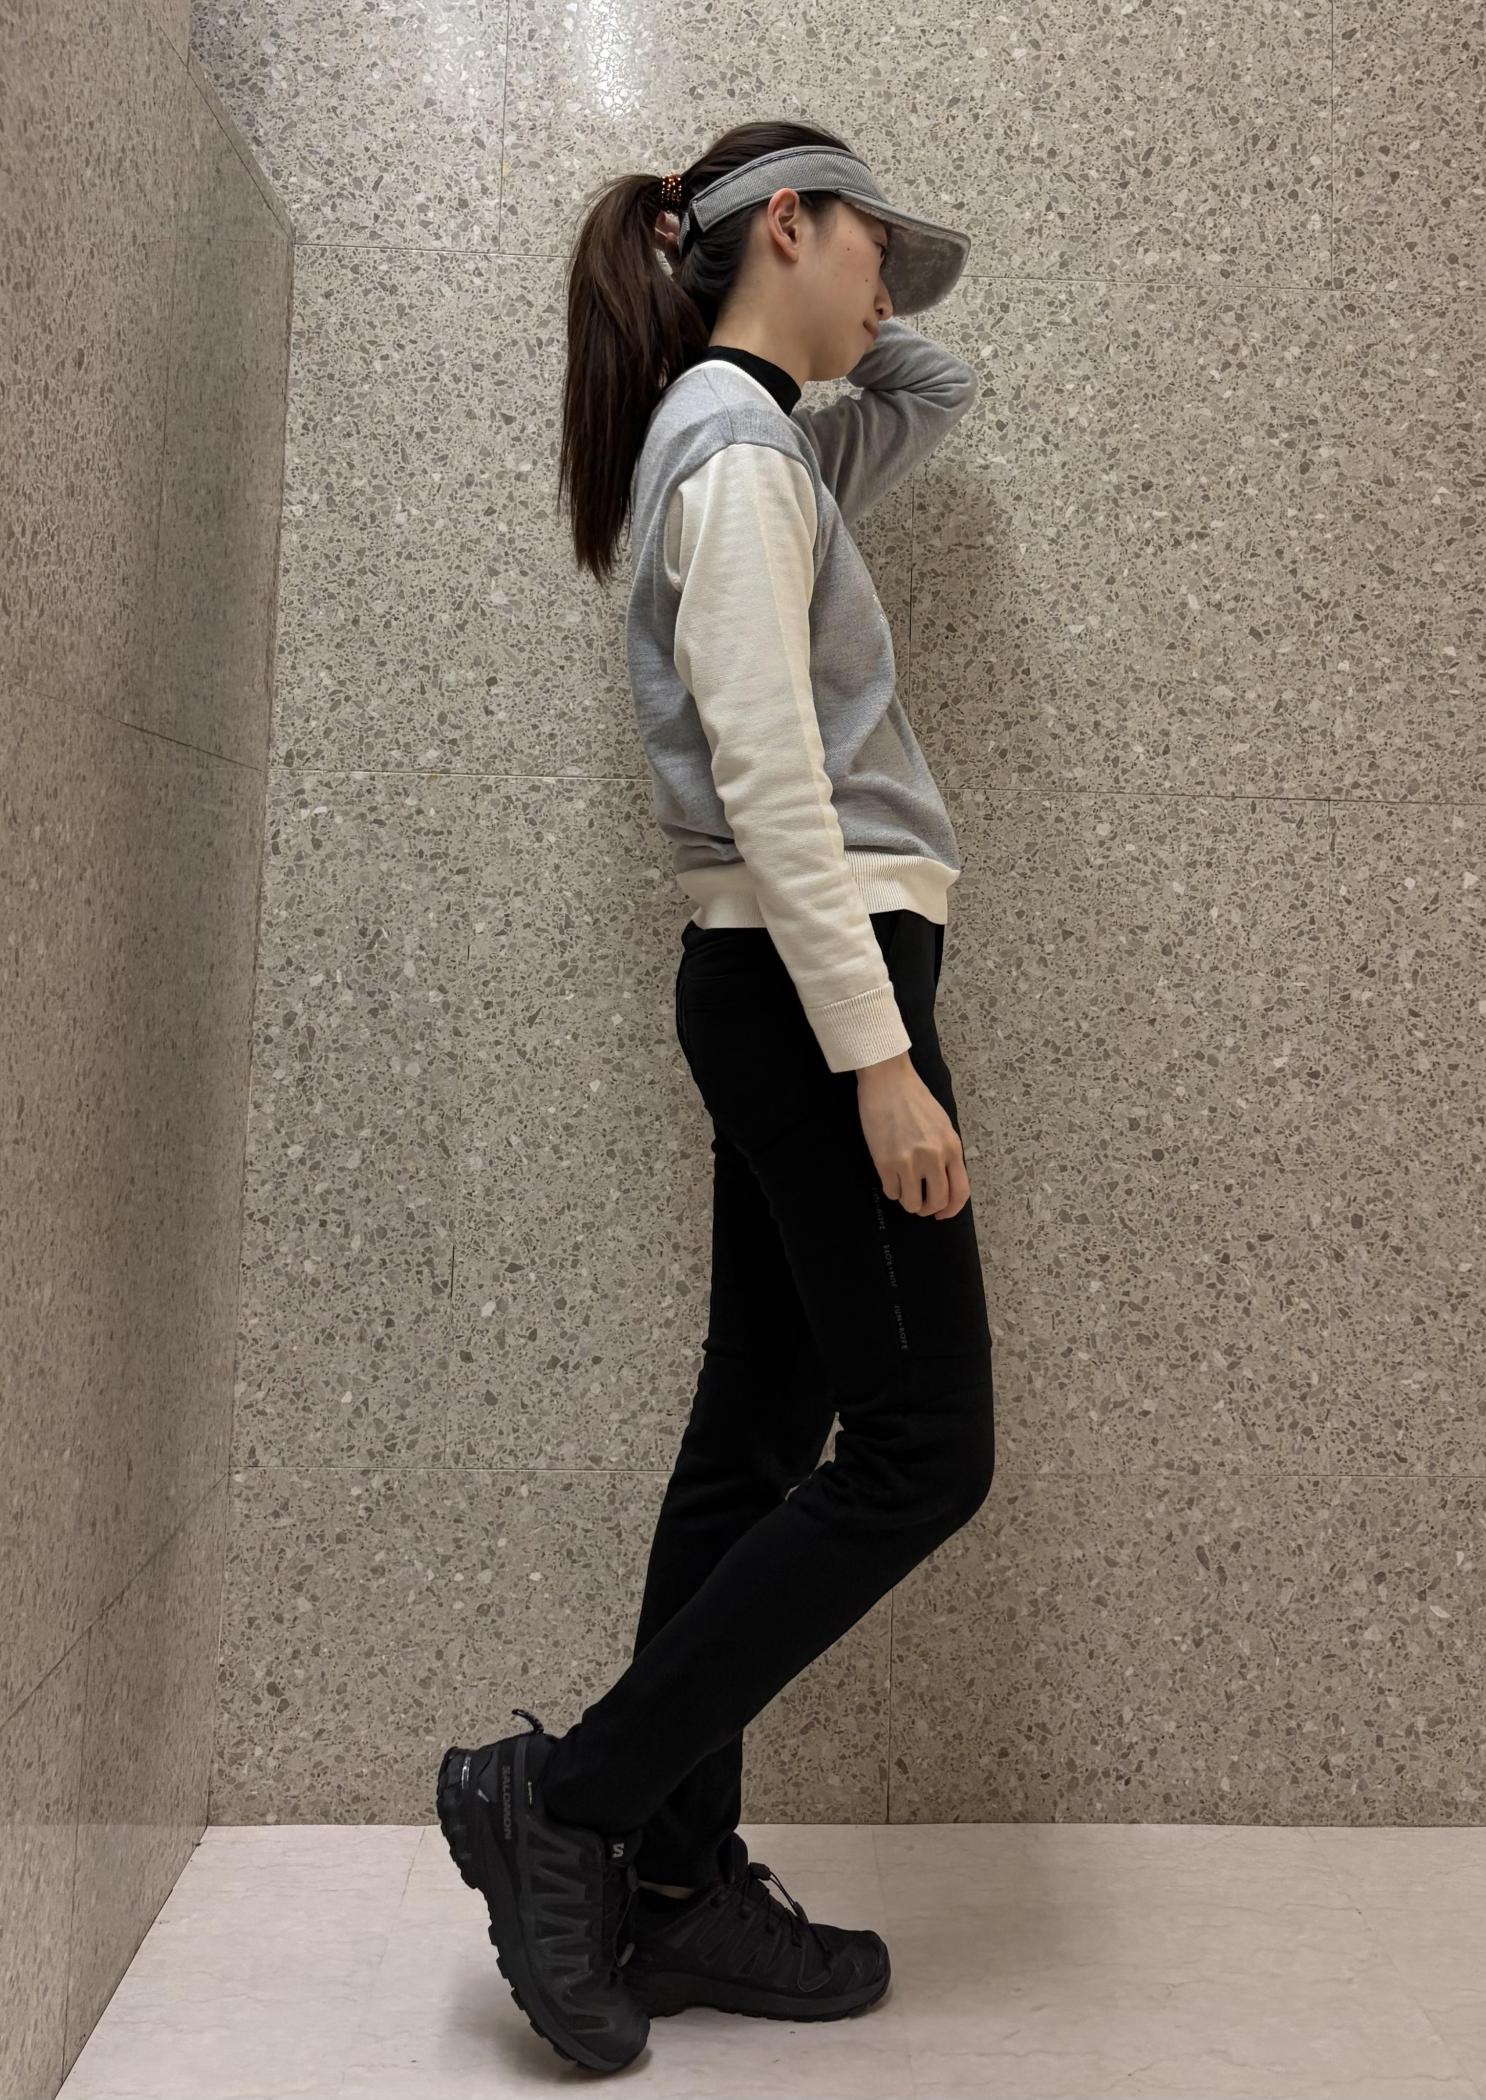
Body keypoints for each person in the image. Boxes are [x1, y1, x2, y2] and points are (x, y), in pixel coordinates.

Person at [436, 121, 995, 2075]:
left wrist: (804, 293)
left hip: (780, 984)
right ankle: (573, 1800)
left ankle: (672, 1887)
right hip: (818, 983)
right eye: (866, 245)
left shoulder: (759, 440)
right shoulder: (744, 457)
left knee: (756, 1438)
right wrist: (882, 1063)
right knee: (922, 1450)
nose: (890, 287)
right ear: (789, 226)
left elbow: (937, 380)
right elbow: (773, 783)